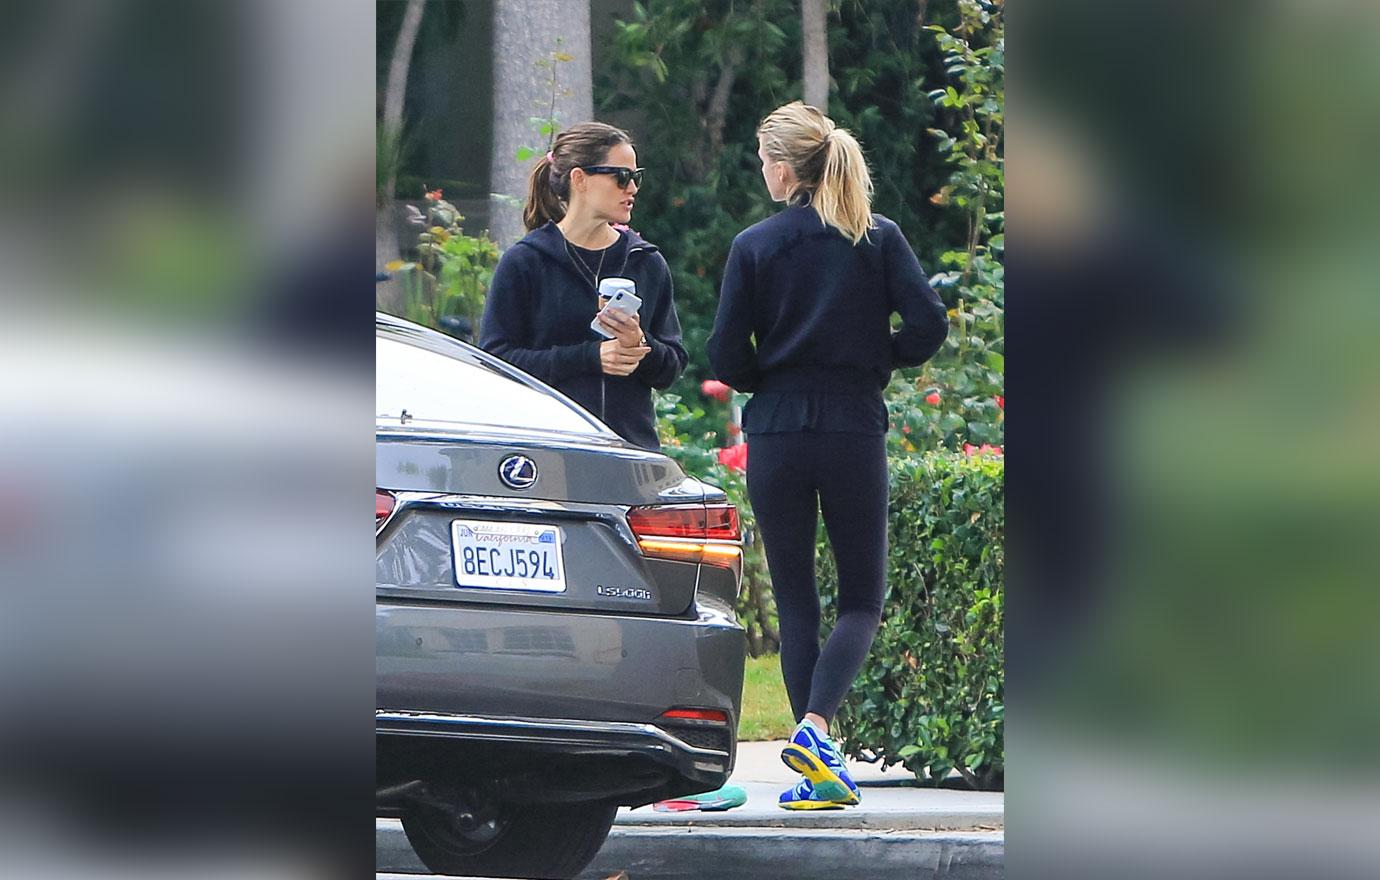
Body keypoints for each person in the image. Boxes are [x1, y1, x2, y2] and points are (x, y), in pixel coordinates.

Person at [707, 102, 949, 809]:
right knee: (862, 598)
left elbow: (726, 356)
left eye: (762, 163)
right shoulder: (878, 238)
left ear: (784, 170)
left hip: (778, 432)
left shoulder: (754, 245)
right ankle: (816, 729)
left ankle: (817, 767)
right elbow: (929, 323)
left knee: (796, 599)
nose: (762, 174)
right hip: (851, 424)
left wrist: (769, 374)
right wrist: (879, 359)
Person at [480, 122, 687, 450]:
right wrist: (589, 358)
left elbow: (671, 367)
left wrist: (639, 344)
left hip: (630, 451)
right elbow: (496, 361)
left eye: (636, 177)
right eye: (621, 176)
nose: (632, 188)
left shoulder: (646, 261)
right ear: (579, 179)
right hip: (547, 453)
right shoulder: (526, 262)